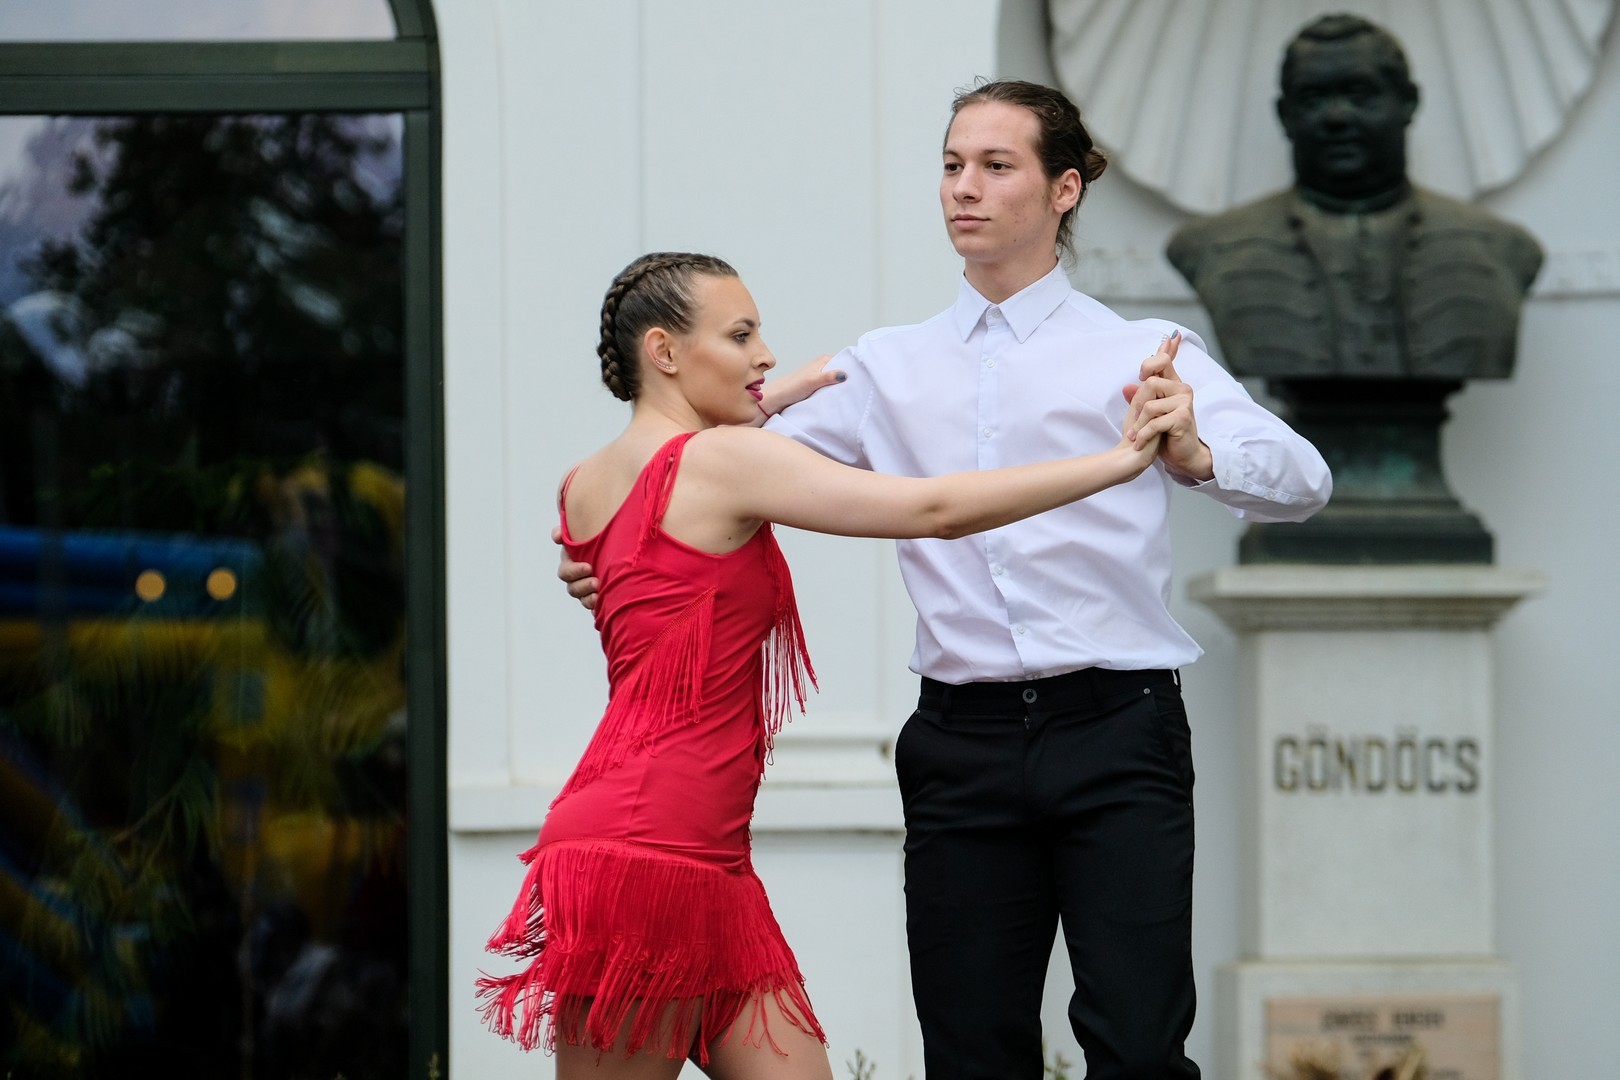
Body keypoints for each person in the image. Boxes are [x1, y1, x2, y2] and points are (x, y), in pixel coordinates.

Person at [559, 81, 1332, 1080]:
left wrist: (1197, 453)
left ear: (1063, 189)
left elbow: (1303, 479)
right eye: (952, 164)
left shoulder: (1144, 355)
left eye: (996, 167)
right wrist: (607, 566)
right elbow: (683, 466)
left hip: (1118, 731)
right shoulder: (884, 369)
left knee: (1140, 1050)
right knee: (968, 1055)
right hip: (959, 745)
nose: (963, 187)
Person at [483, 249, 1183, 1080]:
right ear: (664, 351)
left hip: (705, 858)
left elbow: (651, 525)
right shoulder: (724, 464)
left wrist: (766, 397)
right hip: (649, 855)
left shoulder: (585, 483)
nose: (765, 355)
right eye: (740, 336)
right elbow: (933, 508)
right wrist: (1117, 461)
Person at [1166, 13, 1542, 380]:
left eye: (1360, 94)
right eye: (1312, 98)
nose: (1337, 117)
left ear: (1409, 102)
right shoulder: (1210, 247)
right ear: (1284, 114)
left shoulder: (1502, 247)